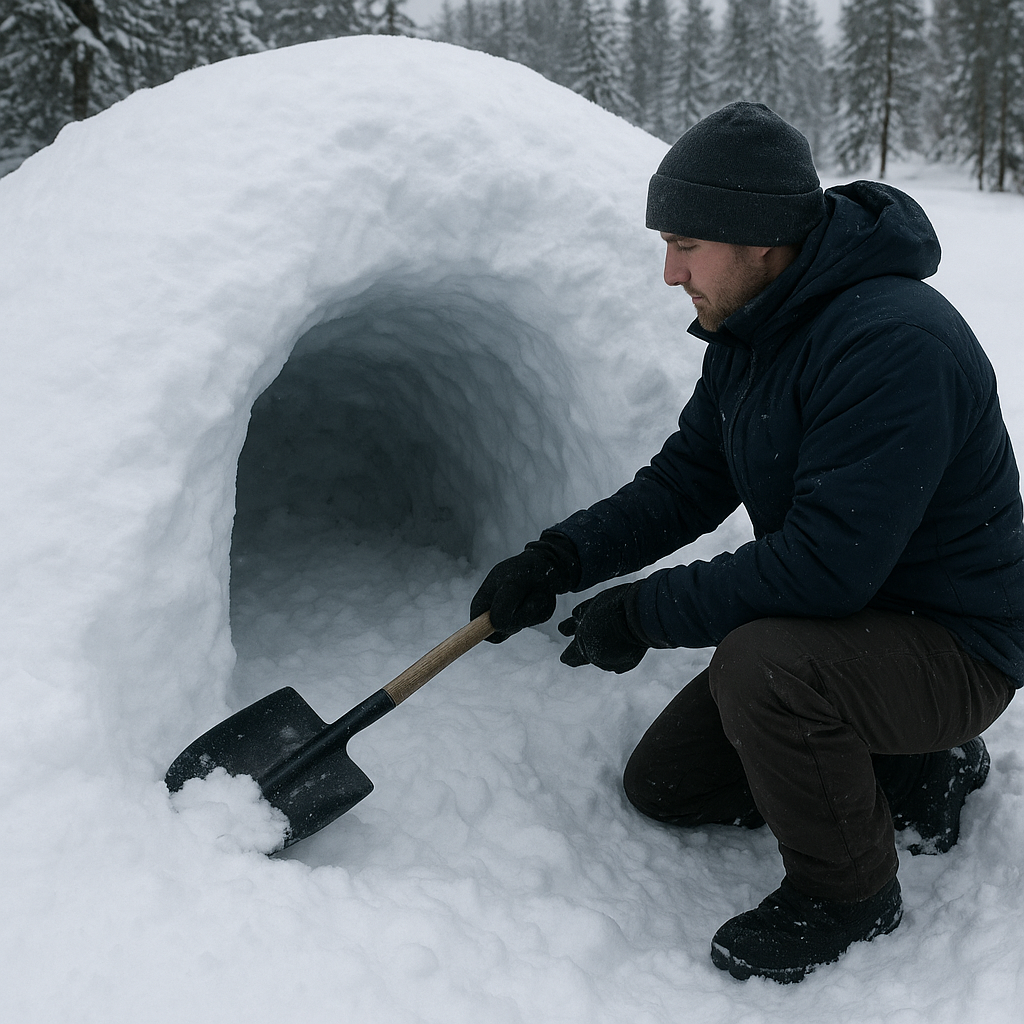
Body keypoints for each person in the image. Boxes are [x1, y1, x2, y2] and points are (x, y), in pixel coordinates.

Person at [470, 102, 1024, 984]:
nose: (668, 272)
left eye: (686, 244)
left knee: (763, 667)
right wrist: (560, 559)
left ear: (760, 239)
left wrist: (644, 612)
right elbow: (689, 478)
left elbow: (824, 566)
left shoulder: (892, 344)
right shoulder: (754, 331)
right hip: (859, 628)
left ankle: (851, 895)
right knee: (667, 785)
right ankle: (918, 763)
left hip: (955, 644)